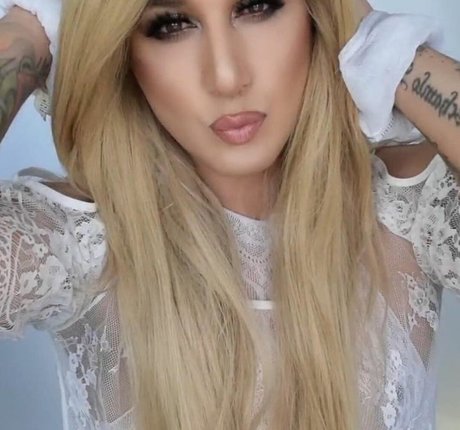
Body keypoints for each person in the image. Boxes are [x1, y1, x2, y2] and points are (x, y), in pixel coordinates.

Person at [0, 1, 459, 429]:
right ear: (124, 53)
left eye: (256, 6)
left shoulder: (409, 211)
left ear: (314, 15)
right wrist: (27, 33)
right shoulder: (75, 245)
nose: (226, 76)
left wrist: (386, 50)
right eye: (172, 24)